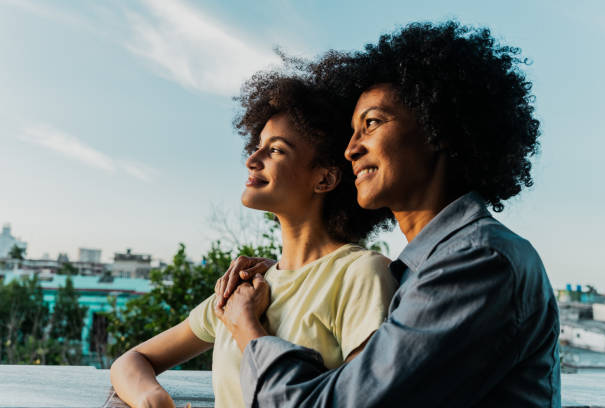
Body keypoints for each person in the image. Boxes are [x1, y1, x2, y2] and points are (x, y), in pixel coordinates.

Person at [214, 21, 561, 407]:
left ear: (438, 128)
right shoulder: (431, 265)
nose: (351, 150)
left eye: (372, 123)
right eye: (352, 132)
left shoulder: (477, 262)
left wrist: (246, 324)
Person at [109, 77, 397, 408]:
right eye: (257, 145)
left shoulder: (361, 275)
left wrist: (245, 321)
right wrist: (153, 399)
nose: (252, 159)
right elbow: (132, 360)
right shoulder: (247, 284)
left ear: (325, 178)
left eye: (275, 149)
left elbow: (359, 400)